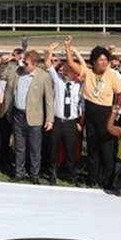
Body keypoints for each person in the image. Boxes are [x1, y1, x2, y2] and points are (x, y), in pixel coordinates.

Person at [64, 35, 121, 187]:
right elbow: (72, 64)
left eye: (106, 59)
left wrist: (115, 110)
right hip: (91, 113)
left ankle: (108, 179)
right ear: (94, 61)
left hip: (106, 113)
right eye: (100, 59)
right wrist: (67, 47)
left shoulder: (112, 75)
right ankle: (93, 178)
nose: (104, 62)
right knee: (93, 147)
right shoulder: (88, 72)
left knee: (107, 148)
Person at [2, 49, 54, 183]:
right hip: (18, 114)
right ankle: (19, 173)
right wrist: (8, 110)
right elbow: (9, 91)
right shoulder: (17, 73)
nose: (24, 65)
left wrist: (50, 119)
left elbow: (49, 99)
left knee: (35, 148)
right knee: (19, 146)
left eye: (27, 63)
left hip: (35, 116)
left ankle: (34, 174)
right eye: (23, 62)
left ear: (35, 64)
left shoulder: (44, 76)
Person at [44, 42, 83, 184]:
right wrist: (49, 51)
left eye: (69, 69)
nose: (65, 71)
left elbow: (81, 106)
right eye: (64, 68)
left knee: (70, 150)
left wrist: (80, 122)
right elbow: (48, 64)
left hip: (71, 122)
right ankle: (52, 174)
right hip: (57, 121)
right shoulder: (58, 81)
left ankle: (72, 174)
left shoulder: (79, 86)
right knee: (53, 149)